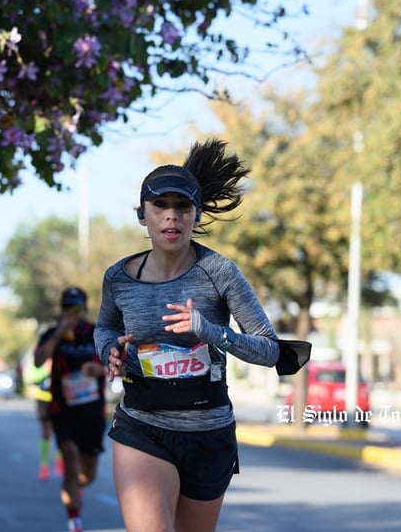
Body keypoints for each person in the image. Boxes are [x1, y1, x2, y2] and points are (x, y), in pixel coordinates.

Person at [94, 139, 285, 532]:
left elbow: (270, 350)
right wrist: (108, 350)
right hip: (142, 425)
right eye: (160, 206)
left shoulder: (219, 271)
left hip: (208, 432)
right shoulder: (118, 278)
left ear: (196, 216)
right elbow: (105, 327)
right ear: (142, 216)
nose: (171, 216)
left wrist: (212, 332)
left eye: (182, 207)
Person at [34, 287, 108, 532]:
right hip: (63, 411)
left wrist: (101, 370)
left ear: (85, 308)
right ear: (62, 309)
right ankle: (74, 521)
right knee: (70, 458)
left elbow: (115, 364)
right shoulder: (53, 333)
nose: (72, 313)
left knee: (87, 475)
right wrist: (58, 334)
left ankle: (75, 489)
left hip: (92, 412)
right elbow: (38, 360)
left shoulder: (96, 333)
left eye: (76, 307)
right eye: (68, 308)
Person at [24, 358, 64, 480]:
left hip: (59, 399)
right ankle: (44, 465)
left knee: (62, 432)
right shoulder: (42, 354)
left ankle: (61, 464)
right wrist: (46, 369)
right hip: (43, 400)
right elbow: (31, 376)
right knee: (46, 433)